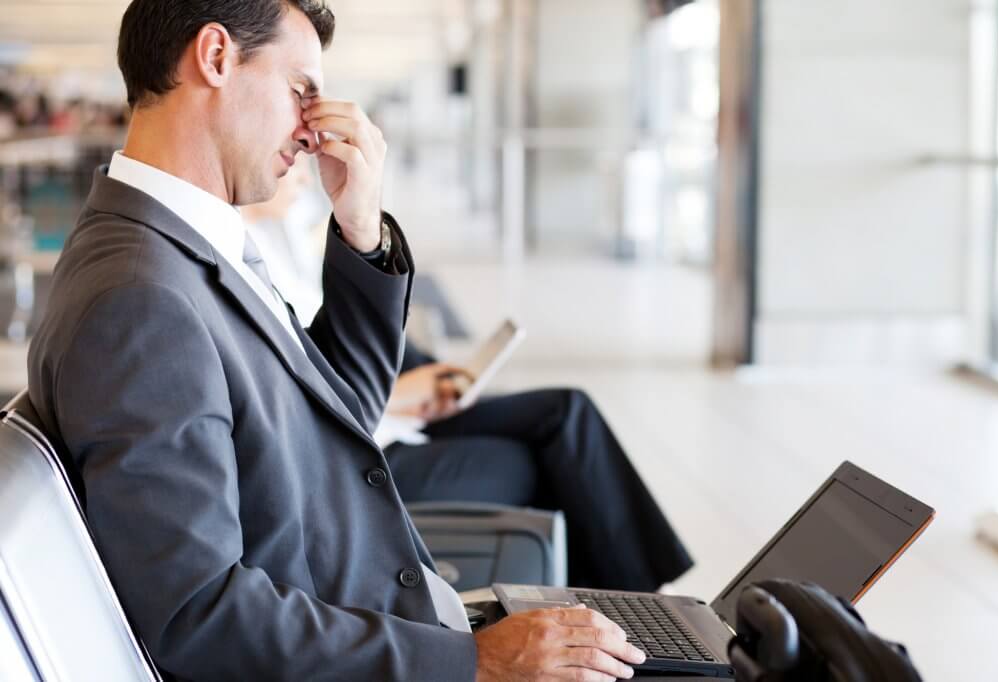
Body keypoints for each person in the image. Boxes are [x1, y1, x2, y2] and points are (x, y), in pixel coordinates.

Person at [26, 1, 647, 680]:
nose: (313, 127)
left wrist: (362, 232)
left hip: (385, 628)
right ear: (214, 57)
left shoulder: (184, 244)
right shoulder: (140, 299)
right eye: (301, 91)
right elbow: (197, 614)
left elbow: (336, 410)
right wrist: (475, 662)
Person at [385, 342, 695, 592]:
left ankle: (629, 590)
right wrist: (396, 396)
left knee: (567, 412)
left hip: (393, 411)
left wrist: (425, 374)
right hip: (371, 439)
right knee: (542, 460)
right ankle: (633, 595)